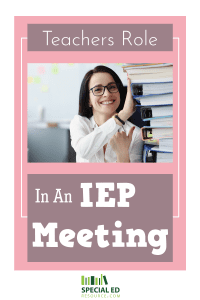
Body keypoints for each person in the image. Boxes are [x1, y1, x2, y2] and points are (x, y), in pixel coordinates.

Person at [70, 65, 143, 163]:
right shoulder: (80, 123)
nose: (107, 94)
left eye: (112, 87)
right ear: (88, 100)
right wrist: (123, 115)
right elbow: (83, 152)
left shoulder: (135, 134)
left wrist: (122, 154)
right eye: (98, 89)